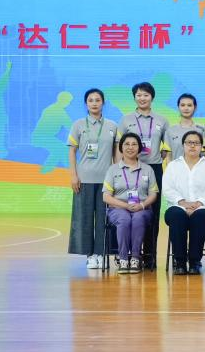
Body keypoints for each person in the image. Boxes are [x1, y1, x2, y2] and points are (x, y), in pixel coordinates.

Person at [116, 81, 170, 268]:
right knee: (129, 211)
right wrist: (119, 168)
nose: (142, 98)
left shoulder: (162, 120)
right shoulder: (126, 120)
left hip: (154, 168)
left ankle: (149, 255)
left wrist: (162, 157)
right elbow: (119, 146)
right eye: (138, 95)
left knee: (152, 213)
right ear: (134, 98)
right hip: (130, 169)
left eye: (146, 95)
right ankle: (130, 254)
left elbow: (167, 148)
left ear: (152, 97)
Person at [67, 88, 118, 269]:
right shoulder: (78, 125)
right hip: (84, 179)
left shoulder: (112, 126)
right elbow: (72, 151)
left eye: (98, 100)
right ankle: (89, 255)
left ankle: (101, 253)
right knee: (85, 218)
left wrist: (117, 178)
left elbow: (116, 154)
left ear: (103, 103)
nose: (94, 103)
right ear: (86, 104)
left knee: (105, 218)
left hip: (106, 181)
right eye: (91, 100)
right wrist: (73, 175)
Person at [162, 130, 205, 275]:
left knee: (200, 216)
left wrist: (198, 203)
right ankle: (180, 262)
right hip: (178, 206)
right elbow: (167, 188)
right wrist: (182, 203)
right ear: (183, 145)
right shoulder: (173, 165)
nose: (192, 146)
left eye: (196, 143)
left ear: (201, 146)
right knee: (176, 216)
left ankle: (195, 261)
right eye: (189, 142)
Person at [102, 133, 159, 273]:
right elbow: (106, 197)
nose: (130, 147)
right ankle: (122, 259)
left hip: (142, 208)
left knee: (138, 218)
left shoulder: (148, 169)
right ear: (121, 147)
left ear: (139, 148)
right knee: (124, 219)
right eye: (127, 144)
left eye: (134, 144)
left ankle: (135, 258)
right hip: (118, 208)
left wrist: (142, 205)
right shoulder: (113, 169)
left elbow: (153, 194)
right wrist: (125, 206)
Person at [161, 94, 205, 166]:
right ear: (178, 107)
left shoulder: (202, 130)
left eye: (189, 105)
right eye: (183, 105)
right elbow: (168, 156)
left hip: (197, 170)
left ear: (195, 107)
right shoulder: (170, 131)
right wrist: (170, 171)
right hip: (176, 170)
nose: (186, 108)